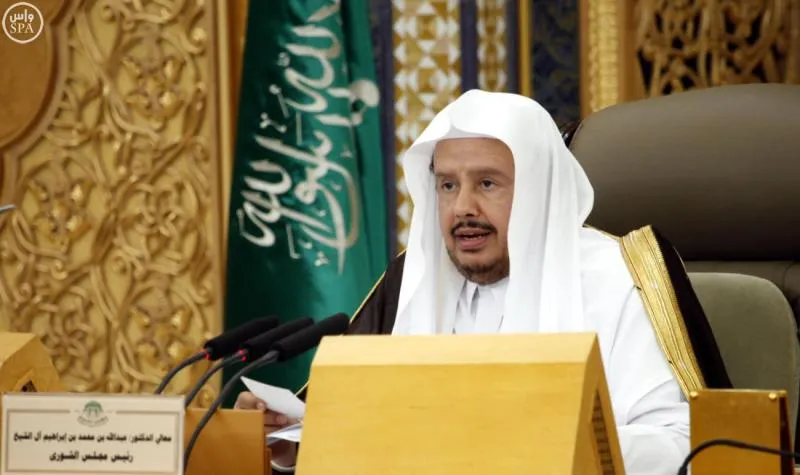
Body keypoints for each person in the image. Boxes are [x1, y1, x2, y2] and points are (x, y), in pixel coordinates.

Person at [235, 90, 731, 474]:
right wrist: (288, 439)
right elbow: (351, 428)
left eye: (487, 184)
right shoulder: (414, 279)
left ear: (538, 189)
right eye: (447, 185)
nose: (462, 208)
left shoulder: (623, 274)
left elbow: (688, 444)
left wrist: (539, 442)